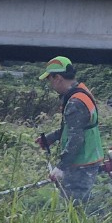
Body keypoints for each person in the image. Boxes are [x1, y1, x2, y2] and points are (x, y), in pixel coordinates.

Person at [37, 56, 105, 203]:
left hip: (81, 163)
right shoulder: (81, 91)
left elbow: (76, 138)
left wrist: (61, 167)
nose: (50, 84)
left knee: (72, 206)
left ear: (58, 78)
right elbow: (76, 127)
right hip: (88, 158)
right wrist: (52, 137)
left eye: (50, 79)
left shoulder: (75, 102)